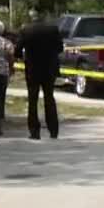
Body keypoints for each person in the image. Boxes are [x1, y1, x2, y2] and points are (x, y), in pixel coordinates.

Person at [16, 10, 63, 139]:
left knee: (33, 99)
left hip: (32, 69)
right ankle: (53, 130)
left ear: (32, 17)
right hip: (49, 69)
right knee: (49, 98)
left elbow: (17, 50)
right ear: (43, 17)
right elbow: (60, 48)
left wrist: (23, 57)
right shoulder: (53, 29)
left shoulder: (26, 30)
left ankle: (34, 131)